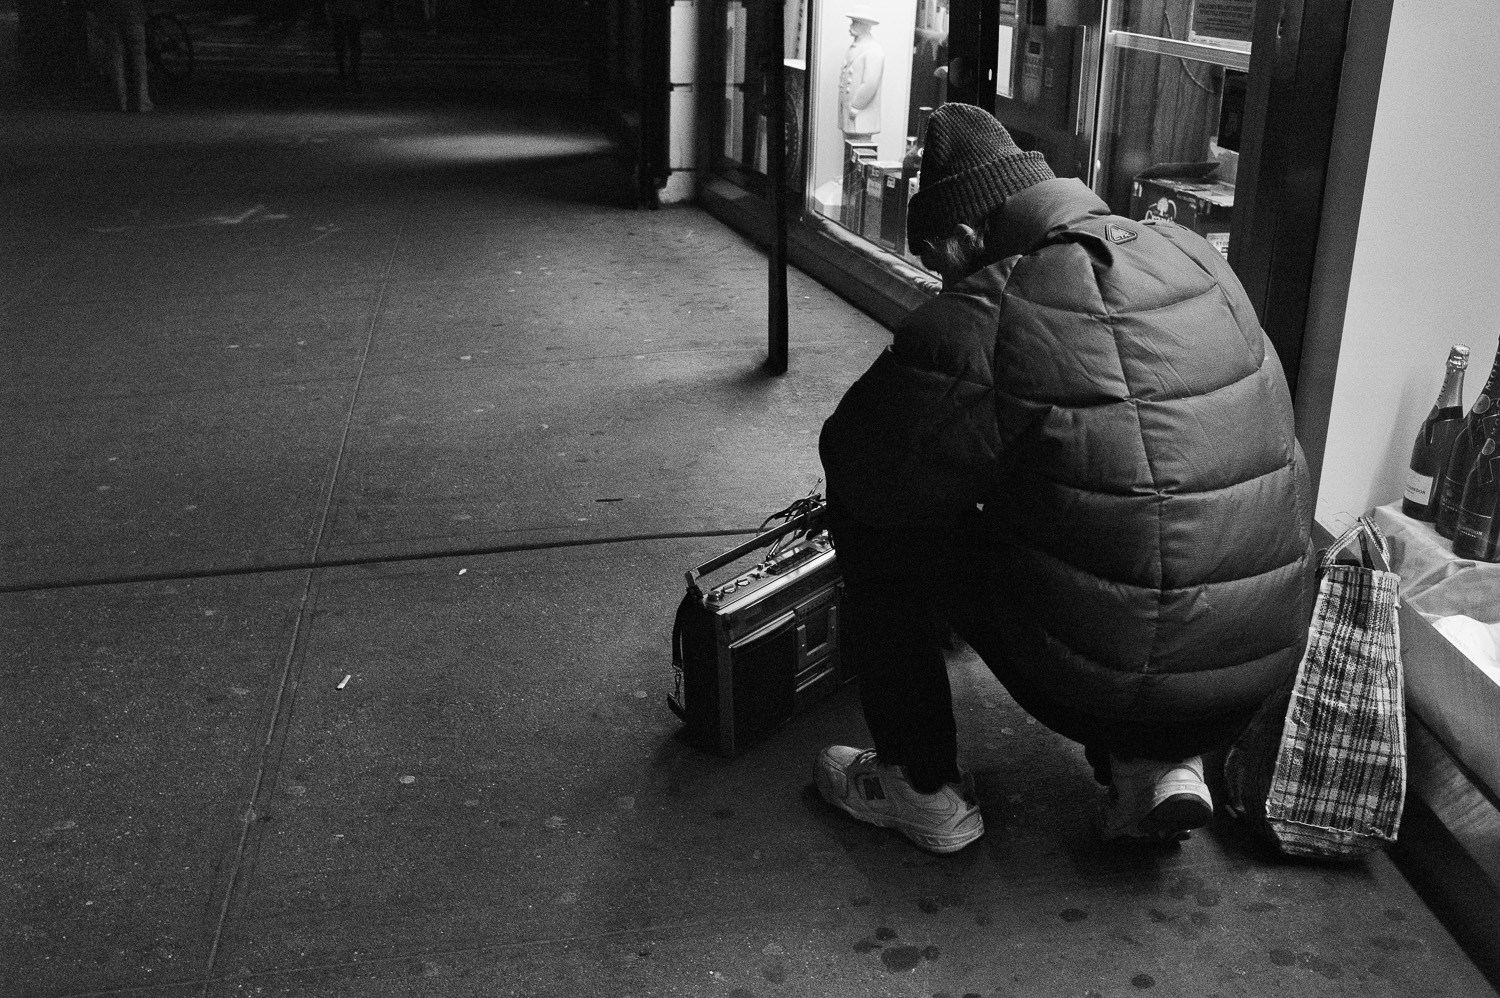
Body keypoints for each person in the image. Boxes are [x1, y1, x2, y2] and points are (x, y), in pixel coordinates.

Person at [813, 103, 1314, 853]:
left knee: (867, 510)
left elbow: (860, 457)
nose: (940, 280)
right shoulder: (1195, 255)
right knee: (1143, 505)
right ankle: (1158, 767)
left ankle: (919, 786)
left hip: (1105, 690)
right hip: (1254, 675)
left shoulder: (998, 299)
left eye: (938, 264)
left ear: (963, 239)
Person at [93, 0, 151, 113]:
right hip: (134, 13)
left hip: (110, 14)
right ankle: (142, 101)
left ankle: (120, 101)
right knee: (138, 57)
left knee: (115, 58)